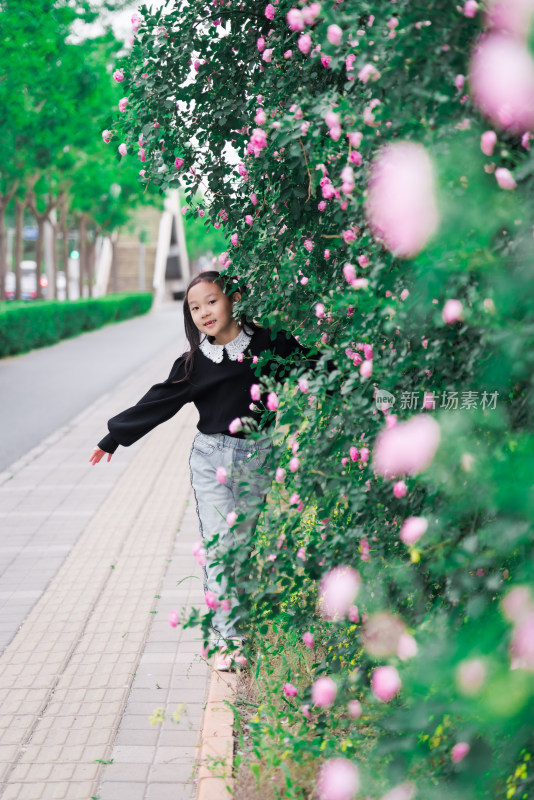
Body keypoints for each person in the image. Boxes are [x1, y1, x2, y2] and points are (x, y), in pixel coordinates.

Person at [90, 271, 305, 670]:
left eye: (211, 301)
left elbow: (314, 368)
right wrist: (113, 437)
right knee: (220, 549)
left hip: (257, 458)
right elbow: (158, 402)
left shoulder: (270, 344)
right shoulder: (193, 364)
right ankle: (229, 638)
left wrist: (371, 387)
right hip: (210, 459)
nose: (204, 312)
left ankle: (238, 622)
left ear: (233, 299)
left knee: (238, 548)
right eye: (194, 307)